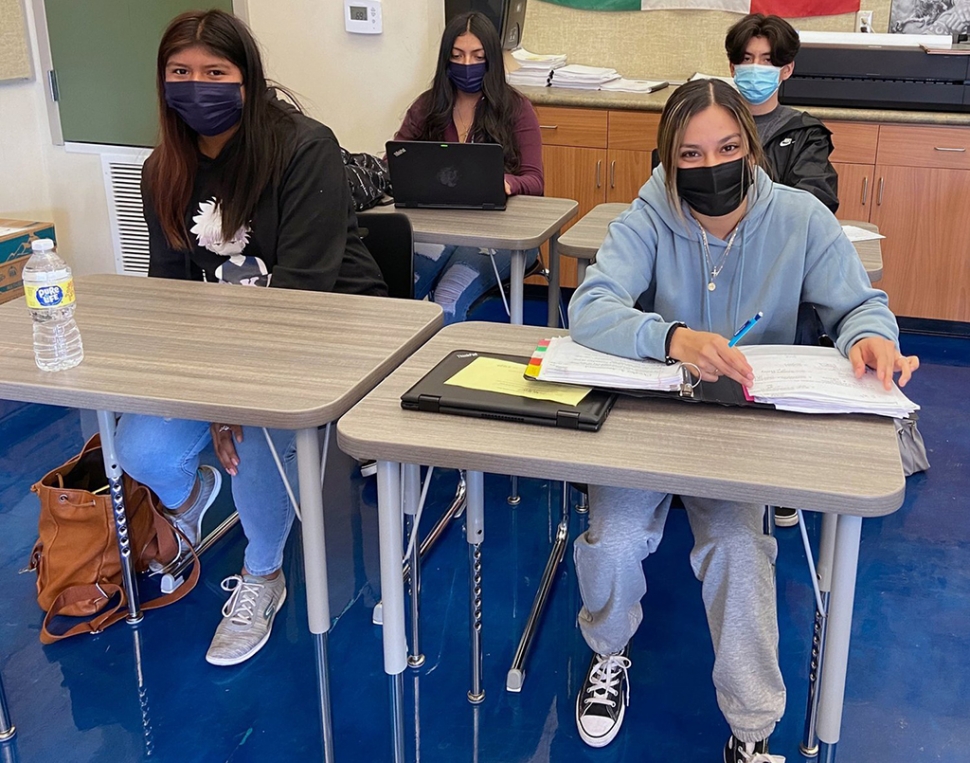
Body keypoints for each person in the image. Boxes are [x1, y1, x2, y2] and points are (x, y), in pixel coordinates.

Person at [567, 79, 918, 761]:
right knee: (612, 536)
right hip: (654, 412)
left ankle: (752, 725)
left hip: (744, 423)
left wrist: (868, 335)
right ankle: (608, 651)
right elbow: (592, 307)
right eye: (690, 155)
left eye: (727, 147)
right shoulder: (647, 213)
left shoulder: (800, 217)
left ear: (750, 147)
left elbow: (858, 306)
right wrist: (672, 337)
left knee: (739, 551)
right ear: (668, 162)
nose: (711, 166)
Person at [116, 10, 386, 667]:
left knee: (260, 436)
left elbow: (301, 295)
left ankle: (263, 573)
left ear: (247, 79)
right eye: (181, 73)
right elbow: (172, 297)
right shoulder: (164, 171)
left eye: (215, 72)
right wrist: (209, 392)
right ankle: (193, 500)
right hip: (229, 348)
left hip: (331, 331)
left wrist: (234, 399)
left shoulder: (302, 147)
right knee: (139, 444)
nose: (196, 86)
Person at [393, 11, 544, 324]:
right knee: (402, 288)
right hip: (439, 228)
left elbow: (535, 180)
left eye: (477, 56)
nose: (466, 64)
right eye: (457, 56)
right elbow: (393, 163)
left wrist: (507, 184)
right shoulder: (426, 107)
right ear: (445, 60)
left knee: (448, 294)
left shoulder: (516, 109)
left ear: (491, 60)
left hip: (497, 236)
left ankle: (443, 370)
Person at [726, 13, 839, 214]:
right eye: (747, 58)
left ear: (786, 70)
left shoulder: (805, 134)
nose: (755, 68)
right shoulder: (711, 125)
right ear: (733, 68)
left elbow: (815, 201)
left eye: (767, 60)